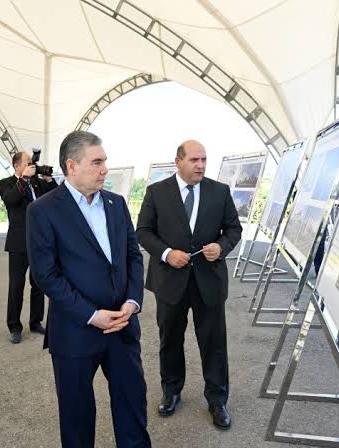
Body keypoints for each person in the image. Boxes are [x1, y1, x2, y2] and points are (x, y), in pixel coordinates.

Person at [27, 131, 151, 447]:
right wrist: (92, 315)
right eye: (97, 162)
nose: (105, 169)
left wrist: (132, 302)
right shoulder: (43, 210)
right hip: (75, 331)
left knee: (133, 409)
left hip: (122, 327)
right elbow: (46, 275)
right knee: (77, 419)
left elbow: (133, 256)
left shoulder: (116, 203)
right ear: (72, 165)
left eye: (104, 161)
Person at [136, 139, 242, 429]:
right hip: (170, 282)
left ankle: (217, 400)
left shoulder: (219, 191)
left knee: (214, 343)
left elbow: (233, 229)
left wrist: (221, 247)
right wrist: (167, 254)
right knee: (170, 339)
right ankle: (171, 391)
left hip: (209, 282)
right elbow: (143, 231)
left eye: (204, 160)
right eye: (195, 160)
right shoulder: (156, 192)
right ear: (178, 161)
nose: (201, 165)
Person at [0, 151, 56, 344]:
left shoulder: (37, 183)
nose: (32, 166)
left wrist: (48, 180)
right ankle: (14, 326)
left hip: (39, 241)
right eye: (28, 163)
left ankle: (36, 321)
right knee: (16, 285)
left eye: (33, 163)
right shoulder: (6, 183)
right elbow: (10, 200)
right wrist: (23, 179)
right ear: (17, 166)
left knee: (38, 283)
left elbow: (55, 197)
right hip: (18, 243)